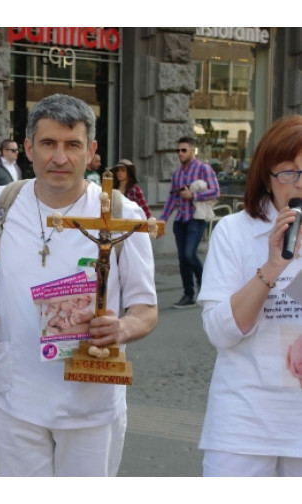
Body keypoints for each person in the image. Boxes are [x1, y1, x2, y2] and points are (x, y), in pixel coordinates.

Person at [0, 94, 157, 477]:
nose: (60, 158)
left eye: (72, 145)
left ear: (91, 151)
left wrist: (121, 327)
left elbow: (146, 308)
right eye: (48, 144)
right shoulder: (2, 203)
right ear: (27, 148)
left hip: (89, 396)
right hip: (15, 394)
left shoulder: (121, 213)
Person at [197, 115, 302, 477]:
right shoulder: (235, 232)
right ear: (267, 177)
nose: (299, 183)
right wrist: (272, 266)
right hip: (243, 423)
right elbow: (220, 333)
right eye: (289, 172)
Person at [159, 136, 219, 309]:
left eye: (183, 150)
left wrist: (194, 196)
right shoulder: (177, 174)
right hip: (181, 220)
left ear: (193, 151)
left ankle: (205, 283)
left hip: (196, 219)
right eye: (178, 150)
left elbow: (215, 191)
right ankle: (188, 294)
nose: (180, 153)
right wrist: (163, 219)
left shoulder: (203, 169)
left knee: (189, 254)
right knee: (182, 259)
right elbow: (172, 198)